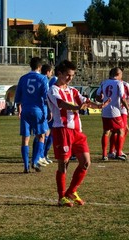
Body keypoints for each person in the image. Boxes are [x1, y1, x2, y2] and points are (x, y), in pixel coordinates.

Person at [47, 60, 110, 207]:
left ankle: (71, 191)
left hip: (77, 131)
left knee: (86, 162)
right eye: (68, 75)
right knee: (64, 164)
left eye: (72, 75)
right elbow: (61, 104)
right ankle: (61, 196)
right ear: (59, 74)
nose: (70, 78)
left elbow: (85, 101)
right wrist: (76, 107)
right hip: (62, 130)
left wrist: (99, 105)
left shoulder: (72, 90)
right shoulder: (53, 90)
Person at [15, 57, 48, 173]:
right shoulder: (43, 78)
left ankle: (25, 166)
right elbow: (45, 97)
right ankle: (34, 161)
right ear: (40, 67)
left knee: (25, 139)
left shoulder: (23, 78)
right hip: (38, 110)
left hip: (25, 110)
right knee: (41, 136)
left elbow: (18, 97)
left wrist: (19, 109)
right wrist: (49, 111)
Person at [96, 67, 129, 161]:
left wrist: (103, 99)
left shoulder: (104, 83)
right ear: (117, 74)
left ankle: (104, 155)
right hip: (115, 111)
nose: (122, 76)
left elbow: (98, 97)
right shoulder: (119, 83)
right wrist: (127, 108)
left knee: (106, 131)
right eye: (121, 74)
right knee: (121, 131)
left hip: (105, 110)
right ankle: (118, 153)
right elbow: (122, 98)